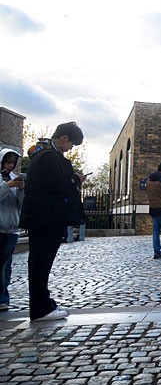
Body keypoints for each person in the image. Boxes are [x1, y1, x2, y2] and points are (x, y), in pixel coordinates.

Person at [20, 122, 87, 320]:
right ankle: (41, 308)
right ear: (64, 138)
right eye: (72, 144)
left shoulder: (43, 154)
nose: (70, 149)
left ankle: (44, 304)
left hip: (42, 217)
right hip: (47, 218)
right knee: (41, 264)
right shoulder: (50, 157)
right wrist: (75, 180)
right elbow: (56, 185)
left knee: (40, 264)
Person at [0, 149, 23, 312]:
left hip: (13, 230)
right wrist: (7, 186)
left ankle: (3, 298)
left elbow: (21, 205)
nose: (10, 166)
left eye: (12, 163)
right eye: (7, 162)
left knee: (6, 265)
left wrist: (21, 190)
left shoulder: (15, 179)